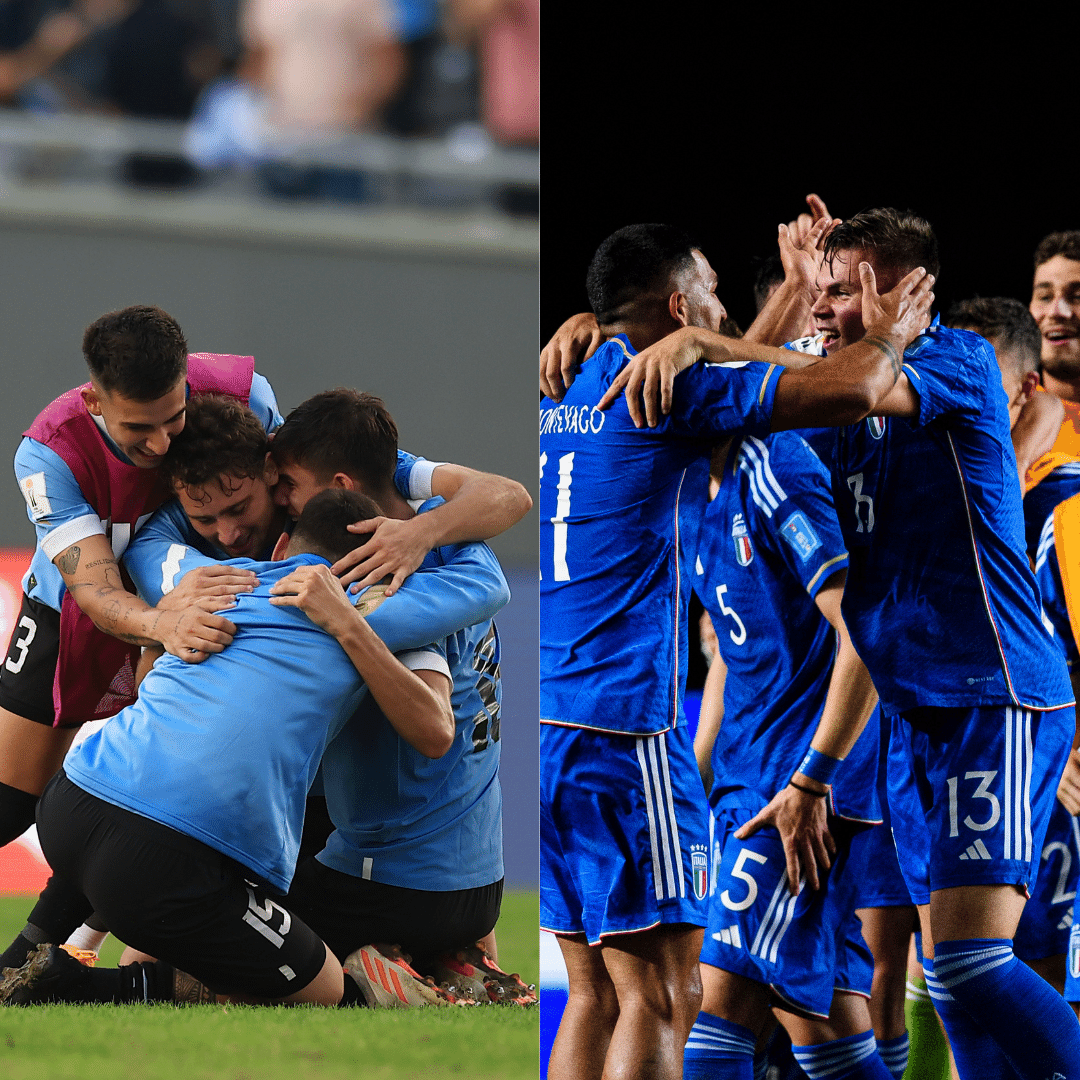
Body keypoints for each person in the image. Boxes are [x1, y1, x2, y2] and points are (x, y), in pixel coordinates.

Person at [610, 210, 1080, 1079]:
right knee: (943, 980)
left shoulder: (954, 362)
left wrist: (715, 346)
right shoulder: (840, 393)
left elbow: (858, 385)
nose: (824, 310)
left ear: (904, 292)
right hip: (911, 718)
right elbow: (758, 411)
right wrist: (679, 339)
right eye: (820, 293)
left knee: (974, 961)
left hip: (993, 695)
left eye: (842, 291)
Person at [539, 222, 933, 1080]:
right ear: (678, 307)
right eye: (709, 296)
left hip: (551, 720)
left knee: (600, 993)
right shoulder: (680, 396)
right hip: (621, 728)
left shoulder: (566, 384)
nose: (715, 318)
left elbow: (711, 388)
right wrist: (893, 333)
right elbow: (850, 385)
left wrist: (777, 296)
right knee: (668, 998)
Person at [0, 486, 510, 1007]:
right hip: (166, 850)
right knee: (330, 990)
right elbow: (486, 589)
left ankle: (27, 955)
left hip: (70, 803)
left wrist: (164, 610)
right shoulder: (374, 608)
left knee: (141, 855)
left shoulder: (206, 583)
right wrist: (422, 523)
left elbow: (150, 543)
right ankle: (72, 983)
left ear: (282, 545)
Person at [264, 389, 532, 999]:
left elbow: (436, 728)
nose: (282, 497)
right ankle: (457, 964)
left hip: (397, 882)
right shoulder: (463, 546)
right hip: (476, 883)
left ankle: (376, 977)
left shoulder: (383, 585)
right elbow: (504, 506)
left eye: (290, 484)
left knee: (227, 929)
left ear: (337, 482)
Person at [687, 423, 897, 1080]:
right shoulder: (685, 484)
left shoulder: (777, 467)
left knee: (714, 1011)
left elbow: (861, 631)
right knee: (825, 1022)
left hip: (791, 788)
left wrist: (812, 780)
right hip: (745, 778)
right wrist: (697, 768)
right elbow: (732, 639)